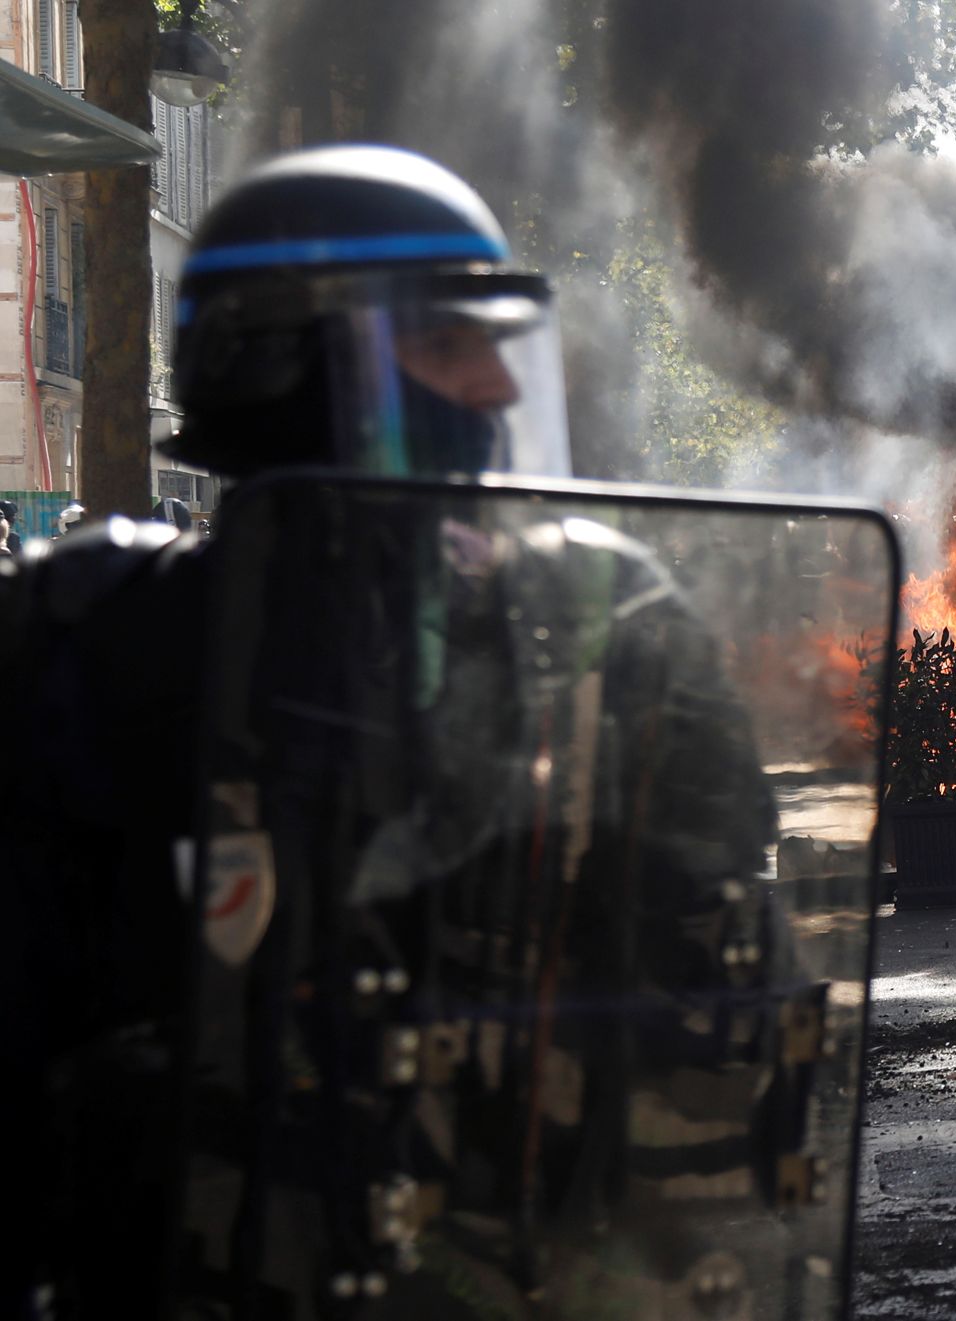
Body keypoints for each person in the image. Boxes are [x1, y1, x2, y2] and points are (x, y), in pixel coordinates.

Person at [2, 145, 851, 1317]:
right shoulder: (87, 647)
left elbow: (743, 1051)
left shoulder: (607, 635)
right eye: (450, 343)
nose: (497, 392)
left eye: (499, 348)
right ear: (296, 362)